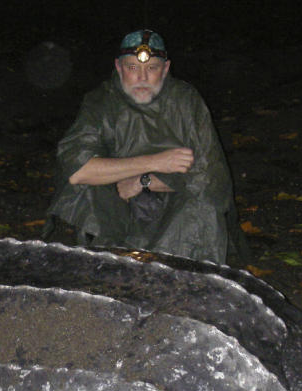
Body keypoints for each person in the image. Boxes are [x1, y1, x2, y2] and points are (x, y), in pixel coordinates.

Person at [44, 29, 247, 265]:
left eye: (152, 68)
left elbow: (211, 178)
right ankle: (107, 266)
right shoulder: (100, 101)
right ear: (119, 68)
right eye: (132, 68)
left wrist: (145, 181)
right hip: (120, 204)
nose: (142, 77)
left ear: (166, 69)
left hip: (174, 206)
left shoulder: (185, 101)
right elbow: (77, 170)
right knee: (87, 191)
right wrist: (155, 162)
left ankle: (177, 274)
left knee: (204, 205)